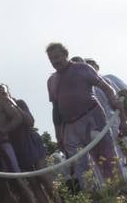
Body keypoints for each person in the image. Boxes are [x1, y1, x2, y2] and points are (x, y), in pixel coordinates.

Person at [45, 43, 122, 187]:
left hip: (92, 118)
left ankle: (119, 190)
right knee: (80, 166)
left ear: (65, 54)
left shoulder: (83, 68)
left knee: (106, 158)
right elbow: (55, 108)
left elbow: (106, 87)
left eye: (57, 56)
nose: (55, 61)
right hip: (70, 126)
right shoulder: (51, 81)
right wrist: (58, 133)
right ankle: (94, 198)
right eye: (51, 59)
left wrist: (113, 99)